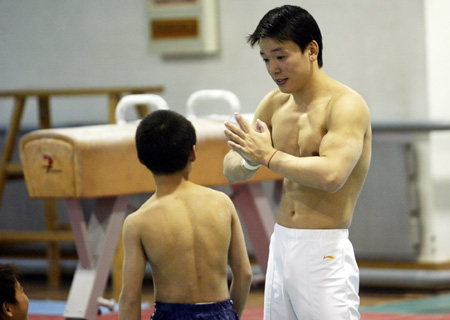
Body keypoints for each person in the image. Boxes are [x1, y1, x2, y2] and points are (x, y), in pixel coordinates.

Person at [223, 5, 371, 320]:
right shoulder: (274, 104)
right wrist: (251, 159)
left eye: (281, 56)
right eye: (265, 59)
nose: (273, 68)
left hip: (324, 248)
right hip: (281, 245)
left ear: (311, 50)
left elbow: (332, 175)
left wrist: (268, 156)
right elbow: (230, 168)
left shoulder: (346, 105)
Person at [119, 110, 252, 320]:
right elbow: (244, 274)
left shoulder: (138, 222)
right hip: (222, 312)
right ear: (193, 153)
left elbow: (130, 298)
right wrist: (231, 315)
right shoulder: (222, 204)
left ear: (141, 159)